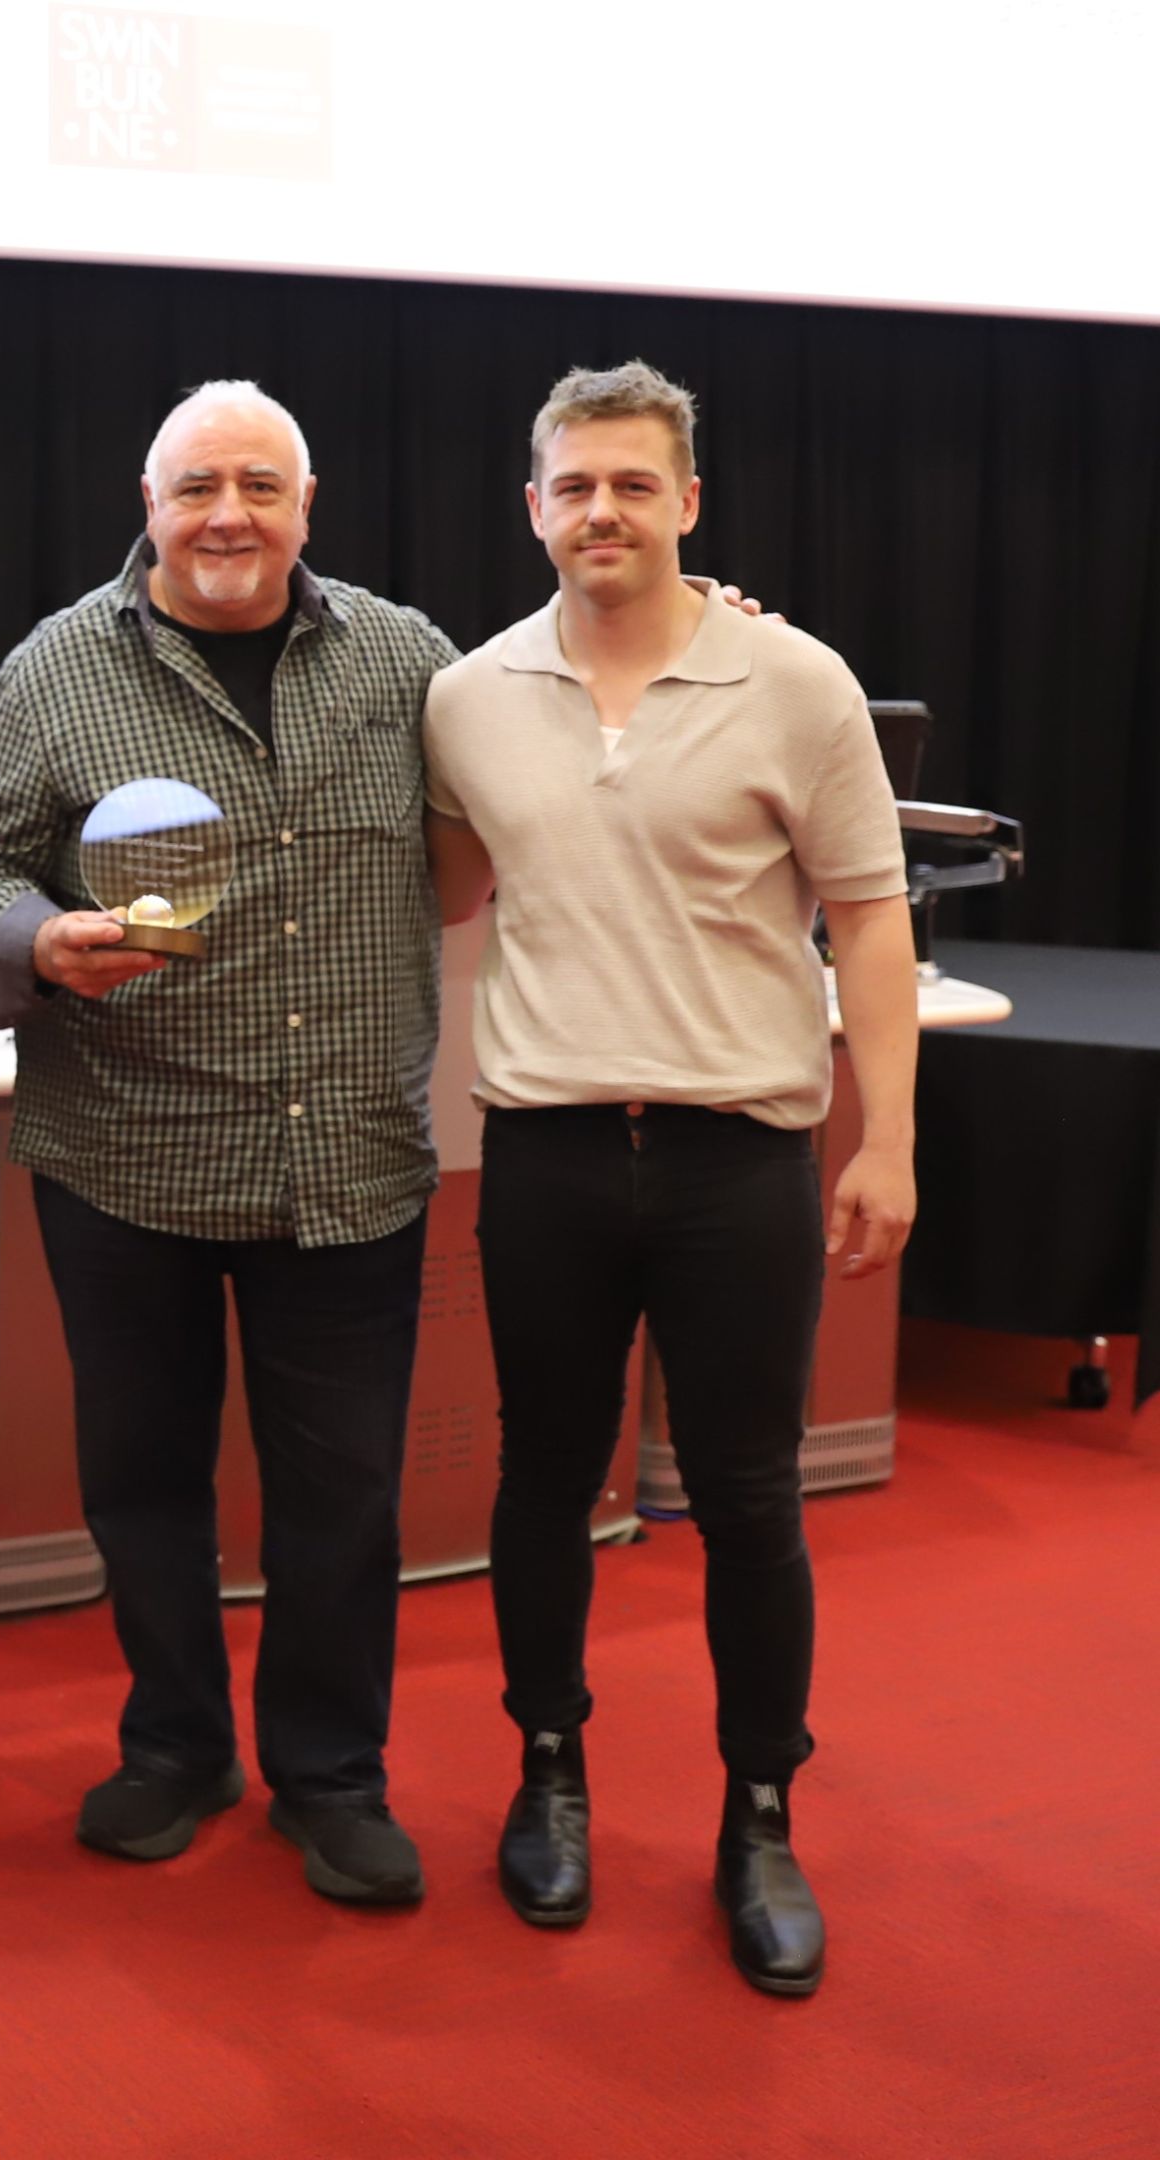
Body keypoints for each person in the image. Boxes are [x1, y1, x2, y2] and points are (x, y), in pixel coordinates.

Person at [0, 380, 458, 1906]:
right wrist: (41, 939)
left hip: (345, 1157)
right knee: (144, 1484)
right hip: (127, 1159)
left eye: (260, 486)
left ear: (308, 504)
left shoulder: (410, 661)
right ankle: (174, 1745)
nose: (230, 515)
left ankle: (331, 1776)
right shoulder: (56, 668)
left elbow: (555, 741)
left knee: (344, 1498)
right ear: (148, 504)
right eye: (199, 487)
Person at [425, 361, 914, 1996]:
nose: (604, 512)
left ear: (689, 502)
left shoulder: (799, 680)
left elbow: (871, 917)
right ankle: (547, 1771)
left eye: (635, 485)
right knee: (543, 1481)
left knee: (750, 1499)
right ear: (534, 507)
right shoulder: (469, 695)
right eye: (575, 486)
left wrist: (889, 1140)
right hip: (549, 1152)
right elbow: (444, 888)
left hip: (740, 1158)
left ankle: (760, 1815)